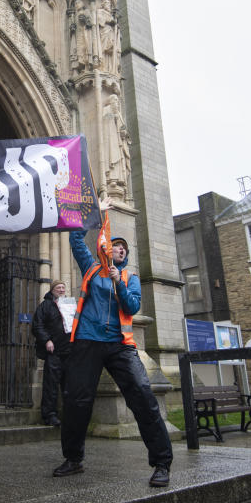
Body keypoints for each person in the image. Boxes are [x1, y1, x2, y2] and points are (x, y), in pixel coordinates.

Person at [54, 199, 173, 487]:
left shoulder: (130, 278)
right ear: (107, 247)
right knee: (76, 400)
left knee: (143, 397)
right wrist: (95, 211)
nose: (119, 248)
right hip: (87, 341)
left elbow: (131, 307)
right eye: (115, 245)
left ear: (126, 256)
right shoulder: (92, 269)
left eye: (124, 248)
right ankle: (73, 459)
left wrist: (119, 281)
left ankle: (161, 463)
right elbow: (74, 238)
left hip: (120, 345)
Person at [32, 280, 71, 426]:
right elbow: (37, 325)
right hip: (54, 352)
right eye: (58, 287)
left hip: (69, 351)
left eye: (63, 287)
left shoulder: (69, 305)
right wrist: (47, 340)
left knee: (69, 385)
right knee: (51, 385)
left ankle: (69, 414)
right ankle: (50, 415)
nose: (61, 290)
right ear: (52, 290)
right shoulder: (45, 305)